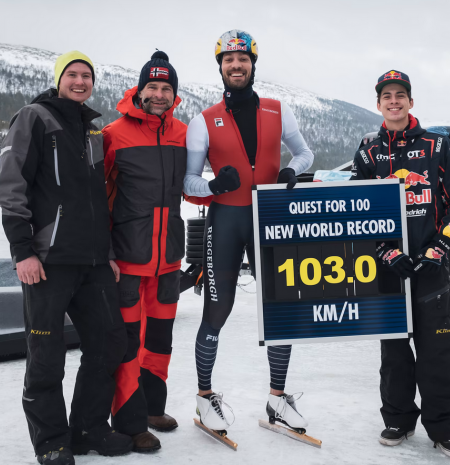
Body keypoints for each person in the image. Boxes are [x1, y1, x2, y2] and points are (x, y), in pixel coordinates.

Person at [0, 50, 132, 465]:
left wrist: (106, 252)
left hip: (92, 263)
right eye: (72, 74)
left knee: (109, 344)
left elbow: (96, 199)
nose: (79, 81)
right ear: (59, 80)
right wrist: (23, 251)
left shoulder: (93, 130)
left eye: (86, 75)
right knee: (46, 355)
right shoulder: (34, 117)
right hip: (47, 261)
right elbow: (11, 184)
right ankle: (51, 440)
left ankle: (89, 428)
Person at [183, 30, 314, 433]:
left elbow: (305, 152)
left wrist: (294, 170)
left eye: (242, 59)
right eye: (228, 61)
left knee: (282, 310)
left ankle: (277, 399)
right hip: (225, 220)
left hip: (270, 219)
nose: (236, 66)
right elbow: (188, 182)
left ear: (253, 64)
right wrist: (212, 187)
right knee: (216, 312)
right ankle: (206, 398)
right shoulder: (203, 120)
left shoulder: (278, 110)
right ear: (220, 67)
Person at [350, 70, 450, 458]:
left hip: (433, 264)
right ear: (379, 103)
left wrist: (440, 247)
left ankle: (444, 428)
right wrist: (386, 251)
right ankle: (398, 420)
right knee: (394, 352)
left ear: (411, 102)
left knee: (437, 351)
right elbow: (358, 209)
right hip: (389, 268)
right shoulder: (368, 151)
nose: (394, 101)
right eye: (387, 96)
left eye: (401, 95)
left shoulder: (437, 144)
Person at [103, 50, 187, 452]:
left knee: (160, 341)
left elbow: (190, 189)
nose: (158, 93)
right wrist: (105, 251)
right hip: (128, 259)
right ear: (139, 90)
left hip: (168, 259)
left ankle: (154, 409)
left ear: (175, 94)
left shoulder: (183, 134)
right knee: (129, 344)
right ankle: (130, 422)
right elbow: (98, 196)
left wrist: (219, 185)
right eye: (152, 86)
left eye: (165, 87)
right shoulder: (113, 133)